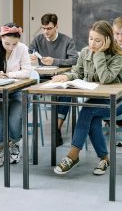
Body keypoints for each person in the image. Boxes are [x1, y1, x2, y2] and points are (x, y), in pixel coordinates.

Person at [52, 20, 122, 176]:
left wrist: (99, 54)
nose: (92, 43)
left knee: (87, 110)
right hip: (95, 102)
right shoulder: (85, 52)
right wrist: (65, 76)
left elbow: (106, 79)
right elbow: (77, 73)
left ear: (108, 39)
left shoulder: (118, 55)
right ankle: (105, 159)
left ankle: (72, 155)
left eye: (98, 40)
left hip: (116, 102)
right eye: (90, 38)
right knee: (91, 117)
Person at [0, 23, 32, 167]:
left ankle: (15, 144)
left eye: (14, 44)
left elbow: (27, 72)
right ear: (0, 38)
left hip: (17, 90)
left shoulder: (22, 49)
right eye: (7, 43)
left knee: (14, 116)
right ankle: (0, 147)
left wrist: (7, 74)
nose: (11, 47)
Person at [29, 13, 78, 146]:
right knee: (24, 89)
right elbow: (28, 52)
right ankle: (18, 128)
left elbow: (75, 59)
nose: (46, 31)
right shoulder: (38, 39)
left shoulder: (67, 41)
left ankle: (56, 129)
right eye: (43, 28)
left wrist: (54, 61)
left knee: (66, 92)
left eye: (49, 28)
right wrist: (30, 57)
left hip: (61, 78)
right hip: (42, 78)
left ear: (57, 26)